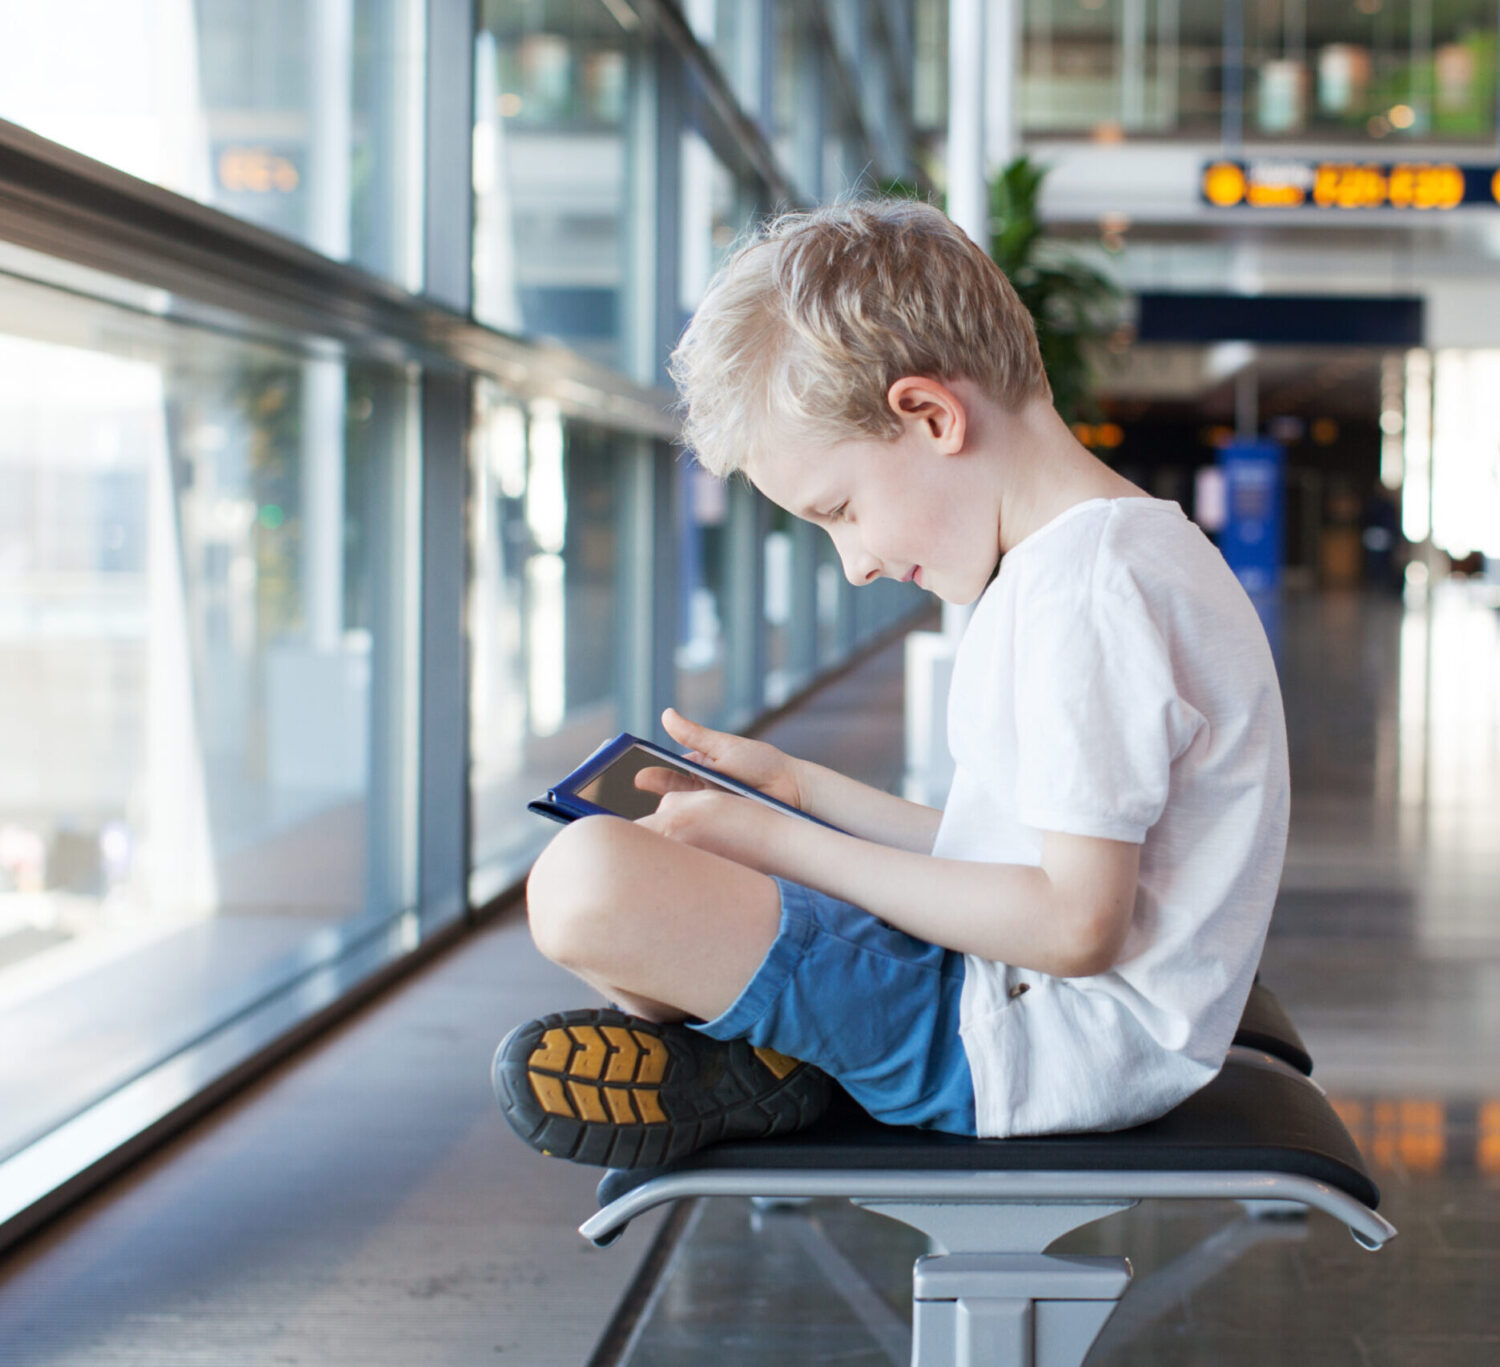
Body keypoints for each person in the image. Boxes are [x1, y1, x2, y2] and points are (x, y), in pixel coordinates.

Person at [493, 199, 1289, 1169]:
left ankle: (773, 1058)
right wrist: (797, 791)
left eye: (841, 510)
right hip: (1010, 1004)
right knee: (649, 874)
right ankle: (764, 1056)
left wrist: (784, 841)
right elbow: (1012, 854)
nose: (855, 563)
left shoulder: (1088, 593)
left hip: (1022, 1046)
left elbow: (1075, 923)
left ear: (931, 415)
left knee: (588, 882)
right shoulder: (1092, 562)